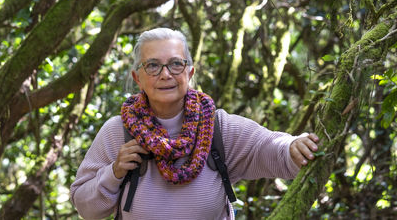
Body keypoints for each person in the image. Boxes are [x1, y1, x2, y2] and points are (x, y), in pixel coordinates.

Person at [70, 28, 320, 220]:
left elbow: (271, 147)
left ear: (189, 73)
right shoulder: (117, 132)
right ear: (138, 77)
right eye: (153, 65)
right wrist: (114, 172)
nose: (165, 74)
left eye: (176, 64)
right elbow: (85, 207)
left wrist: (294, 146)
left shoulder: (217, 127)